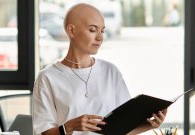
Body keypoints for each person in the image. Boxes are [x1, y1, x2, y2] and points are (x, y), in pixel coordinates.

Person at [32, 3, 167, 135]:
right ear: (71, 31)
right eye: (92, 30)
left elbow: (123, 128)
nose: (100, 37)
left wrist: (148, 125)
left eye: (102, 31)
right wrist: (70, 126)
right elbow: (45, 133)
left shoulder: (111, 71)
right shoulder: (47, 78)